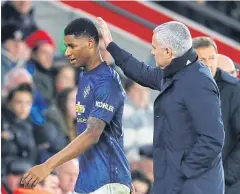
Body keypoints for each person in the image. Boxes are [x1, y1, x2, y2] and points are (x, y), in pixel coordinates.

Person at [97, 17, 225, 194]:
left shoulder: (198, 82)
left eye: (154, 47)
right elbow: (142, 72)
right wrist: (111, 46)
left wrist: (182, 171)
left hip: (193, 186)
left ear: (168, 52)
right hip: (173, 181)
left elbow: (213, 139)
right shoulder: (176, 71)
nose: (152, 51)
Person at [21, 18, 132, 194]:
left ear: (89, 44)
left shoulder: (106, 82)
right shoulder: (85, 76)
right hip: (91, 181)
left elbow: (93, 134)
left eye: (72, 46)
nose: (66, 52)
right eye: (66, 47)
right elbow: (112, 134)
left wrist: (47, 166)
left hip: (106, 184)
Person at [192, 36, 240, 194]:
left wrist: (226, 175)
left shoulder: (234, 90)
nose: (208, 63)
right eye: (202, 59)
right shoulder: (181, 86)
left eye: (211, 58)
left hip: (225, 185)